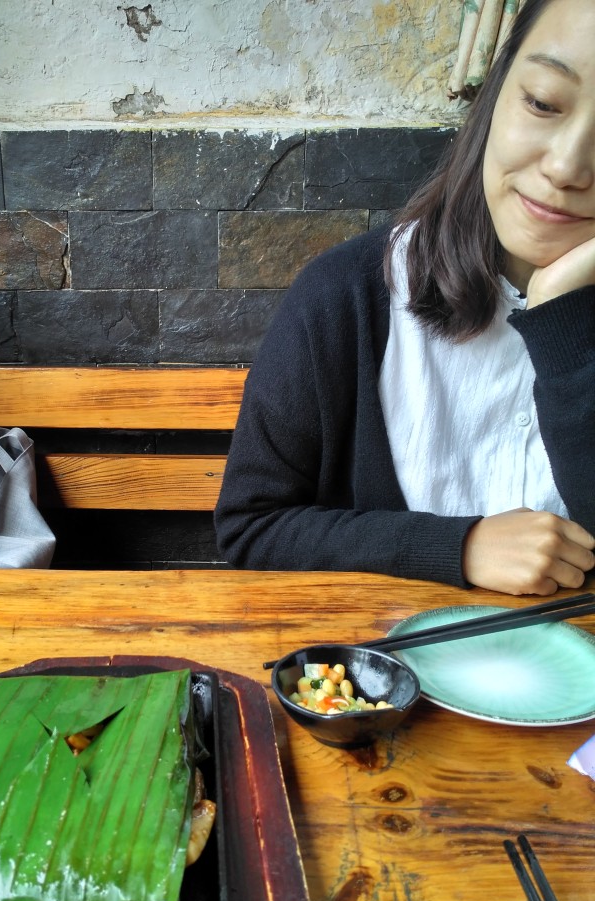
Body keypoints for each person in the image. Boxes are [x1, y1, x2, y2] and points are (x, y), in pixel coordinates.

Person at [214, 0, 595, 596]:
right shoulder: (350, 296)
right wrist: (456, 546)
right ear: (496, 93)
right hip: (381, 679)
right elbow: (251, 529)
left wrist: (564, 323)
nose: (569, 166)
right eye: (544, 102)